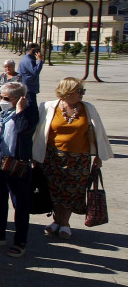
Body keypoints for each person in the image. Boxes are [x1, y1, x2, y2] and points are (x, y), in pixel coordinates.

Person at [33, 77, 112, 240]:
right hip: (53, 157)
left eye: (83, 91)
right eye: (79, 91)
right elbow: (38, 133)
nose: (82, 94)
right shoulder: (48, 107)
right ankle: (57, 220)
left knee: (72, 192)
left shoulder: (87, 108)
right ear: (66, 92)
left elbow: (99, 133)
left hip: (79, 159)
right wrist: (34, 155)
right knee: (54, 190)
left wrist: (99, 156)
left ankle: (64, 223)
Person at [0, 82, 39, 257]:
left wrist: (20, 109)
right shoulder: (1, 112)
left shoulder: (28, 112)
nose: (3, 100)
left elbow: (24, 129)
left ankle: (20, 241)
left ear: (20, 99)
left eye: (7, 98)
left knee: (20, 205)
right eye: (1, 96)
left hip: (16, 165)